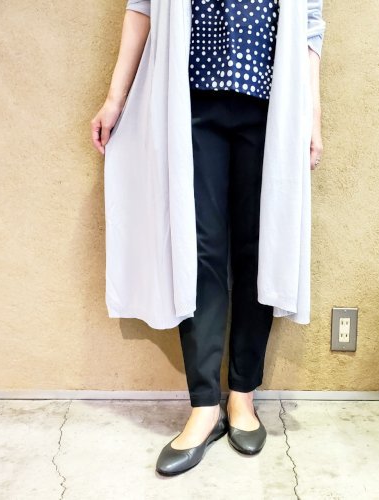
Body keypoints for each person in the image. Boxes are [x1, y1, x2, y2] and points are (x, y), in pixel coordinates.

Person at [91, 0, 326, 476]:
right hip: (190, 100)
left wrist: (312, 118)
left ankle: (243, 396)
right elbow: (142, 7)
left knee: (260, 250)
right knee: (198, 252)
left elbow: (309, 27)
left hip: (271, 105)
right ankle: (203, 406)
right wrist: (115, 98)